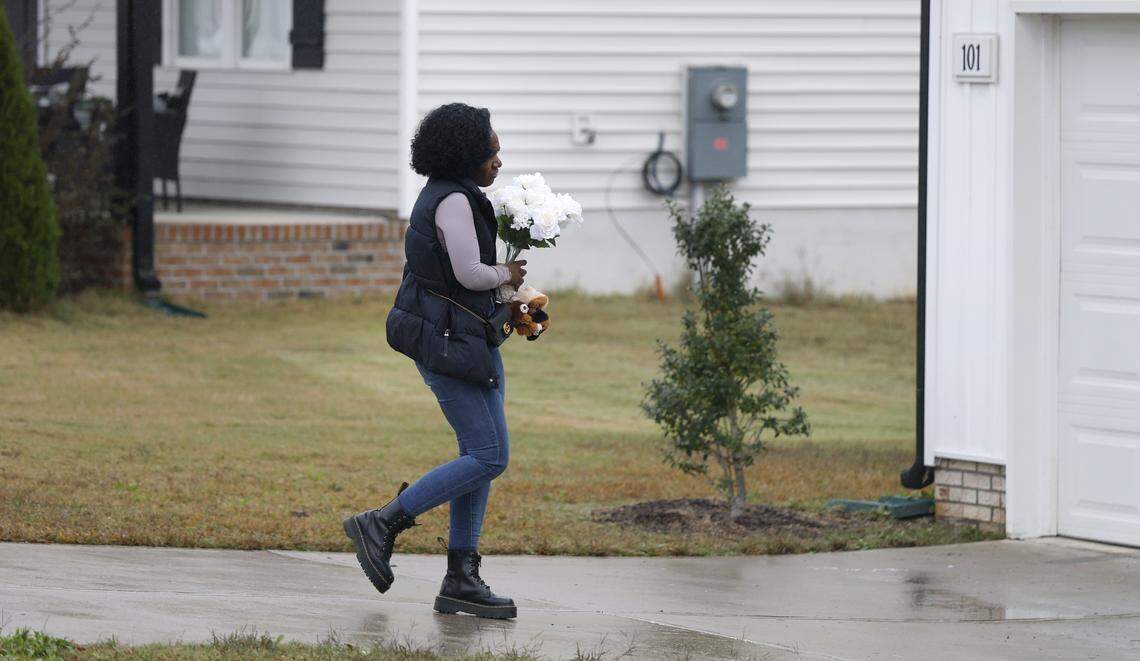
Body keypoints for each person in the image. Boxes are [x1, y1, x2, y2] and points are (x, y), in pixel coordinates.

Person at [342, 103, 527, 620]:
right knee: (490, 456)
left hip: (466, 339)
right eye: (491, 150)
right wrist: (507, 274)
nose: (498, 159)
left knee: (478, 458)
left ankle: (460, 579)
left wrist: (514, 297)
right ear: (466, 154)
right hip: (449, 344)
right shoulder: (452, 202)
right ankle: (381, 522)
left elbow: (460, 280)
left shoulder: (456, 196)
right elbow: (470, 273)